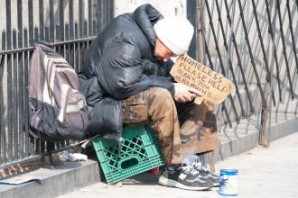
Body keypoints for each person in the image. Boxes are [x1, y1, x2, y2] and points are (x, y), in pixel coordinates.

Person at [79, 4, 220, 191]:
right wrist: (171, 87)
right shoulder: (127, 39)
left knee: (199, 96)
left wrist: (187, 83)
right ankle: (173, 170)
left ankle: (187, 160)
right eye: (169, 53)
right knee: (161, 97)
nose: (166, 58)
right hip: (100, 104)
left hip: (121, 97)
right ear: (161, 40)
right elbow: (121, 86)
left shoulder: (154, 39)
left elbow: (158, 70)